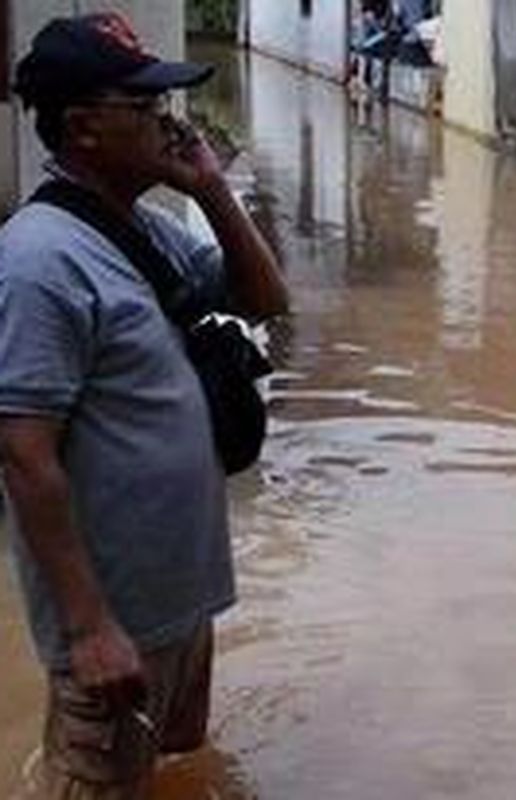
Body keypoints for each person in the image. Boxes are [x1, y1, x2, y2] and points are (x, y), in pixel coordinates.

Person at [0, 12, 288, 799]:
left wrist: (212, 189)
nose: (167, 122)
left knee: (166, 770)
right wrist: (90, 629)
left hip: (177, 598)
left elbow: (264, 299)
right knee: (90, 785)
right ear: (84, 127)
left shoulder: (149, 229)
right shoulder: (37, 263)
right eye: (145, 106)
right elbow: (24, 455)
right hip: (114, 622)